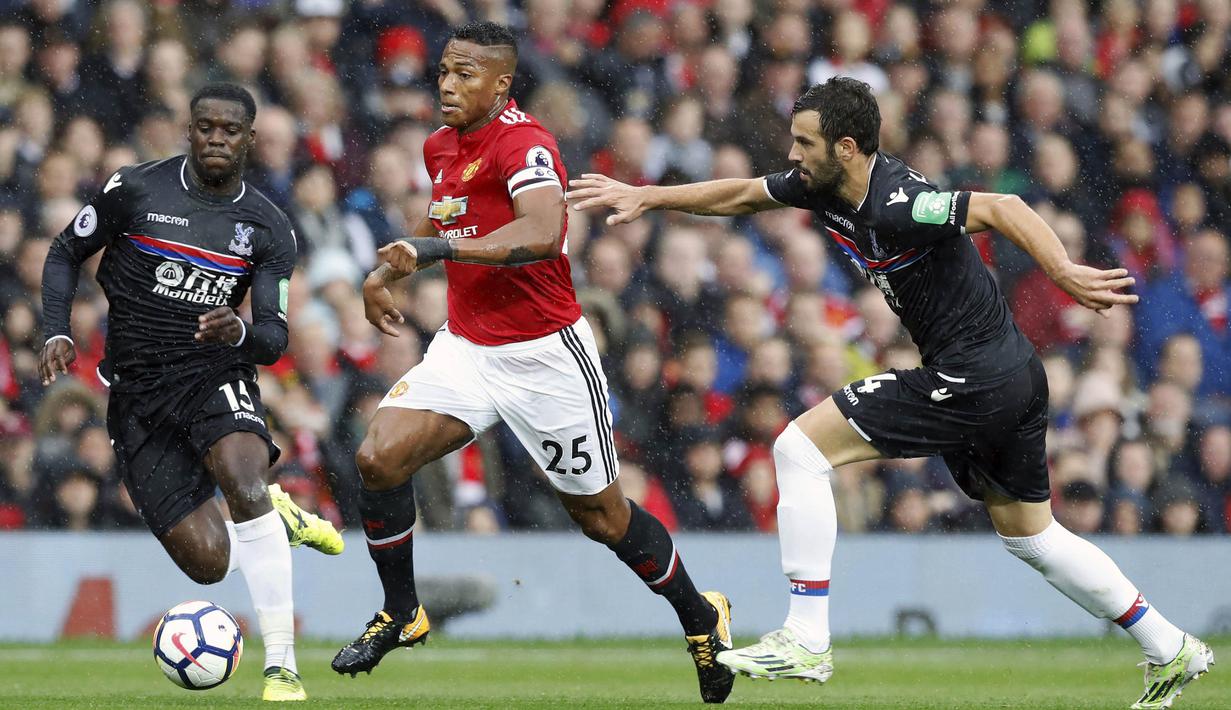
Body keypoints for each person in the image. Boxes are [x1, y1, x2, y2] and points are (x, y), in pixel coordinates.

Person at [568, 77, 1214, 710]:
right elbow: (742, 193)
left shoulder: (901, 203)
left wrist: (1063, 271)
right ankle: (1170, 645)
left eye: (804, 142)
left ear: (846, 147)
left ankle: (806, 636)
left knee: (798, 449)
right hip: (1011, 376)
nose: (792, 154)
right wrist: (649, 196)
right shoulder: (821, 184)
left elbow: (1003, 207)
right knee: (1031, 536)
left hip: (975, 377)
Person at [329, 22, 734, 704]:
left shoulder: (525, 142)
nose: (447, 84)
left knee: (603, 518)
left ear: (501, 84)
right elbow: (446, 221)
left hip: (545, 355)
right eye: (444, 71)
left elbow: (543, 231)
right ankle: (402, 612)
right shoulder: (439, 145)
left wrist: (439, 253)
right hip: (465, 347)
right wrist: (388, 271)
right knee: (379, 457)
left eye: (464, 74)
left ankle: (700, 615)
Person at [39, 83, 343, 703]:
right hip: (137, 396)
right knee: (209, 563)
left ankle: (282, 668)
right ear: (190, 130)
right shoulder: (135, 189)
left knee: (245, 482)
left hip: (213, 373)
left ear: (249, 139)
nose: (216, 139)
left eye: (230, 130)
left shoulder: (268, 227)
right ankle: (277, 519)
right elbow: (65, 250)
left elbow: (273, 338)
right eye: (206, 127)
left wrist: (240, 331)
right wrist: (56, 329)